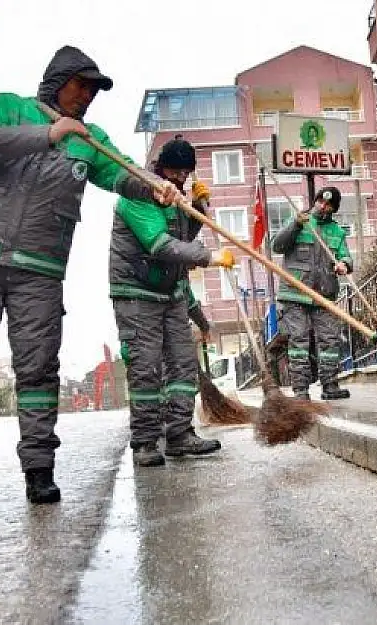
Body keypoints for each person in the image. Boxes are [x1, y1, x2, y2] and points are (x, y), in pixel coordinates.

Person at [0, 45, 184, 506]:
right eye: (82, 84)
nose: (88, 95)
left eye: (94, 89)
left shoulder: (90, 140)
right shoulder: (9, 107)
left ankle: (38, 469)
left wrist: (157, 188)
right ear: (58, 80)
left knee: (38, 368)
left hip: (41, 270)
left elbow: (123, 175)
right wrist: (49, 133)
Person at [110, 137, 232, 467]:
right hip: (137, 292)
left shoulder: (176, 195)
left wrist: (198, 209)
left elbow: (183, 239)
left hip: (171, 291)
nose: (179, 177)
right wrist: (211, 258)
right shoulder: (139, 193)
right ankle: (146, 441)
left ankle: (179, 435)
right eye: (174, 171)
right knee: (147, 367)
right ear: (160, 167)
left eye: (185, 172)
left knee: (183, 363)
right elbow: (161, 246)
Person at [271, 186, 353, 400]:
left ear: (333, 209)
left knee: (330, 340)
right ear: (315, 201)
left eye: (328, 205)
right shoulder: (300, 221)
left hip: (324, 295)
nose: (322, 207)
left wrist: (344, 264)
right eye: (320, 202)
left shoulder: (337, 231)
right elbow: (277, 245)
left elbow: (346, 256)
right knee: (299, 341)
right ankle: (300, 391)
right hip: (295, 294)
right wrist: (295, 225)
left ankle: (330, 386)